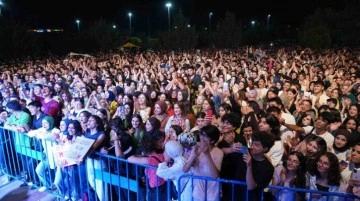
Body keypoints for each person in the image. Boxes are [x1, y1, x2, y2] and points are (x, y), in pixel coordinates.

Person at [183, 125, 223, 201]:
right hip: (198, 192)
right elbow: (185, 169)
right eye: (201, 135)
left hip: (213, 193)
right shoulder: (196, 148)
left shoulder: (219, 152)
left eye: (206, 136)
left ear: (213, 140)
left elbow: (215, 176)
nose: (202, 138)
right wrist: (193, 156)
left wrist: (207, 154)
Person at [128, 130, 167, 201]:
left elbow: (129, 159)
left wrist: (140, 155)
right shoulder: (162, 155)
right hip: (163, 184)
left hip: (154, 187)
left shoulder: (148, 160)